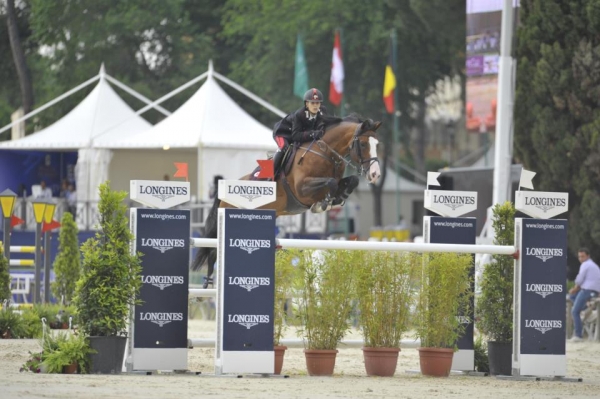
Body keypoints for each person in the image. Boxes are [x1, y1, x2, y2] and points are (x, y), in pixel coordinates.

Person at [272, 88, 329, 177]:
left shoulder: (323, 111)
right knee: (284, 146)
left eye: (317, 103)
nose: (315, 106)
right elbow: (295, 136)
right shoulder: (299, 115)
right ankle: (271, 174)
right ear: (306, 104)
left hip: (300, 133)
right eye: (312, 103)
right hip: (283, 133)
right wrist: (314, 133)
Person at [568, 247, 600, 342]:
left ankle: (578, 335)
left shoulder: (586, 265)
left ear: (588, 256)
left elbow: (579, 280)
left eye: (583, 256)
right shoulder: (593, 265)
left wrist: (574, 288)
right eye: (579, 257)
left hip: (587, 290)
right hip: (593, 291)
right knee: (572, 297)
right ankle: (585, 309)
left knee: (574, 311)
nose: (581, 259)